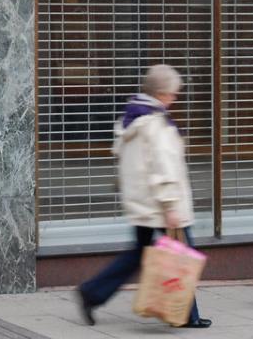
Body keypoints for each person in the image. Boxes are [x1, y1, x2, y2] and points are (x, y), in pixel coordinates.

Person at [76, 64, 212, 329]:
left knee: (140, 254)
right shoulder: (155, 124)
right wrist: (171, 206)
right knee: (183, 254)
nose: (175, 98)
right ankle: (184, 314)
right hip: (160, 206)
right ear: (162, 94)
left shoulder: (131, 118)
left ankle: (92, 293)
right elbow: (164, 169)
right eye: (174, 93)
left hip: (142, 204)